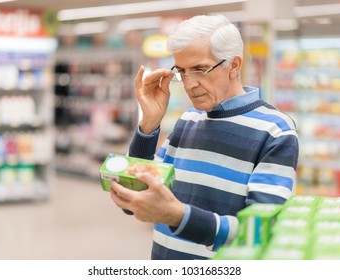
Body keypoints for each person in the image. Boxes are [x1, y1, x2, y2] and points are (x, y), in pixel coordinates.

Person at [109, 14, 299, 260]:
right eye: (182, 72)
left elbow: (260, 232)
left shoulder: (275, 130)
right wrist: (148, 124)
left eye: (199, 69)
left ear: (234, 65)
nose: (189, 84)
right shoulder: (189, 120)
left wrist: (179, 216)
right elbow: (137, 195)